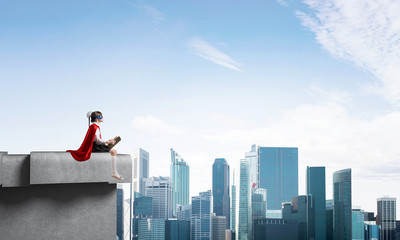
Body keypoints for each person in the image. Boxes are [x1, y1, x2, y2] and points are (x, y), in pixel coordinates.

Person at [67, 111, 123, 180]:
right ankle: (114, 172)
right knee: (114, 152)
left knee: (112, 151)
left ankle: (113, 172)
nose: (102, 117)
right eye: (101, 116)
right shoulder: (95, 127)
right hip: (95, 146)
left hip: (95, 145)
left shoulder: (93, 126)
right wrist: (108, 141)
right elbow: (97, 140)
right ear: (97, 119)